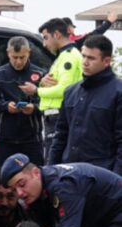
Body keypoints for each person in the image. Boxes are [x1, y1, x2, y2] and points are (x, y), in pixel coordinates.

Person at [49, 35, 121, 174]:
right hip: (69, 172)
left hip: (102, 176)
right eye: (83, 56)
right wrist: (50, 171)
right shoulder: (71, 92)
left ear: (106, 61)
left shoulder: (118, 93)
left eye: (91, 58)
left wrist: (116, 182)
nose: (85, 62)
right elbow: (60, 136)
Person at [22, 18, 83, 160]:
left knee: (53, 162)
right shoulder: (62, 56)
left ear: (57, 34)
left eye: (46, 38)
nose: (44, 44)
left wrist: (36, 90)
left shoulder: (68, 57)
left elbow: (64, 89)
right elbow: (54, 82)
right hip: (54, 115)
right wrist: (42, 83)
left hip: (58, 115)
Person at [0, 36, 46, 165]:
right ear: (8, 53)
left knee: (35, 176)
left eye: (22, 57)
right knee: (6, 180)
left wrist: (34, 108)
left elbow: (48, 103)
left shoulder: (40, 74)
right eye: (15, 57)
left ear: (29, 53)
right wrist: (5, 106)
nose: (18, 62)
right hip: (6, 139)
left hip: (32, 140)